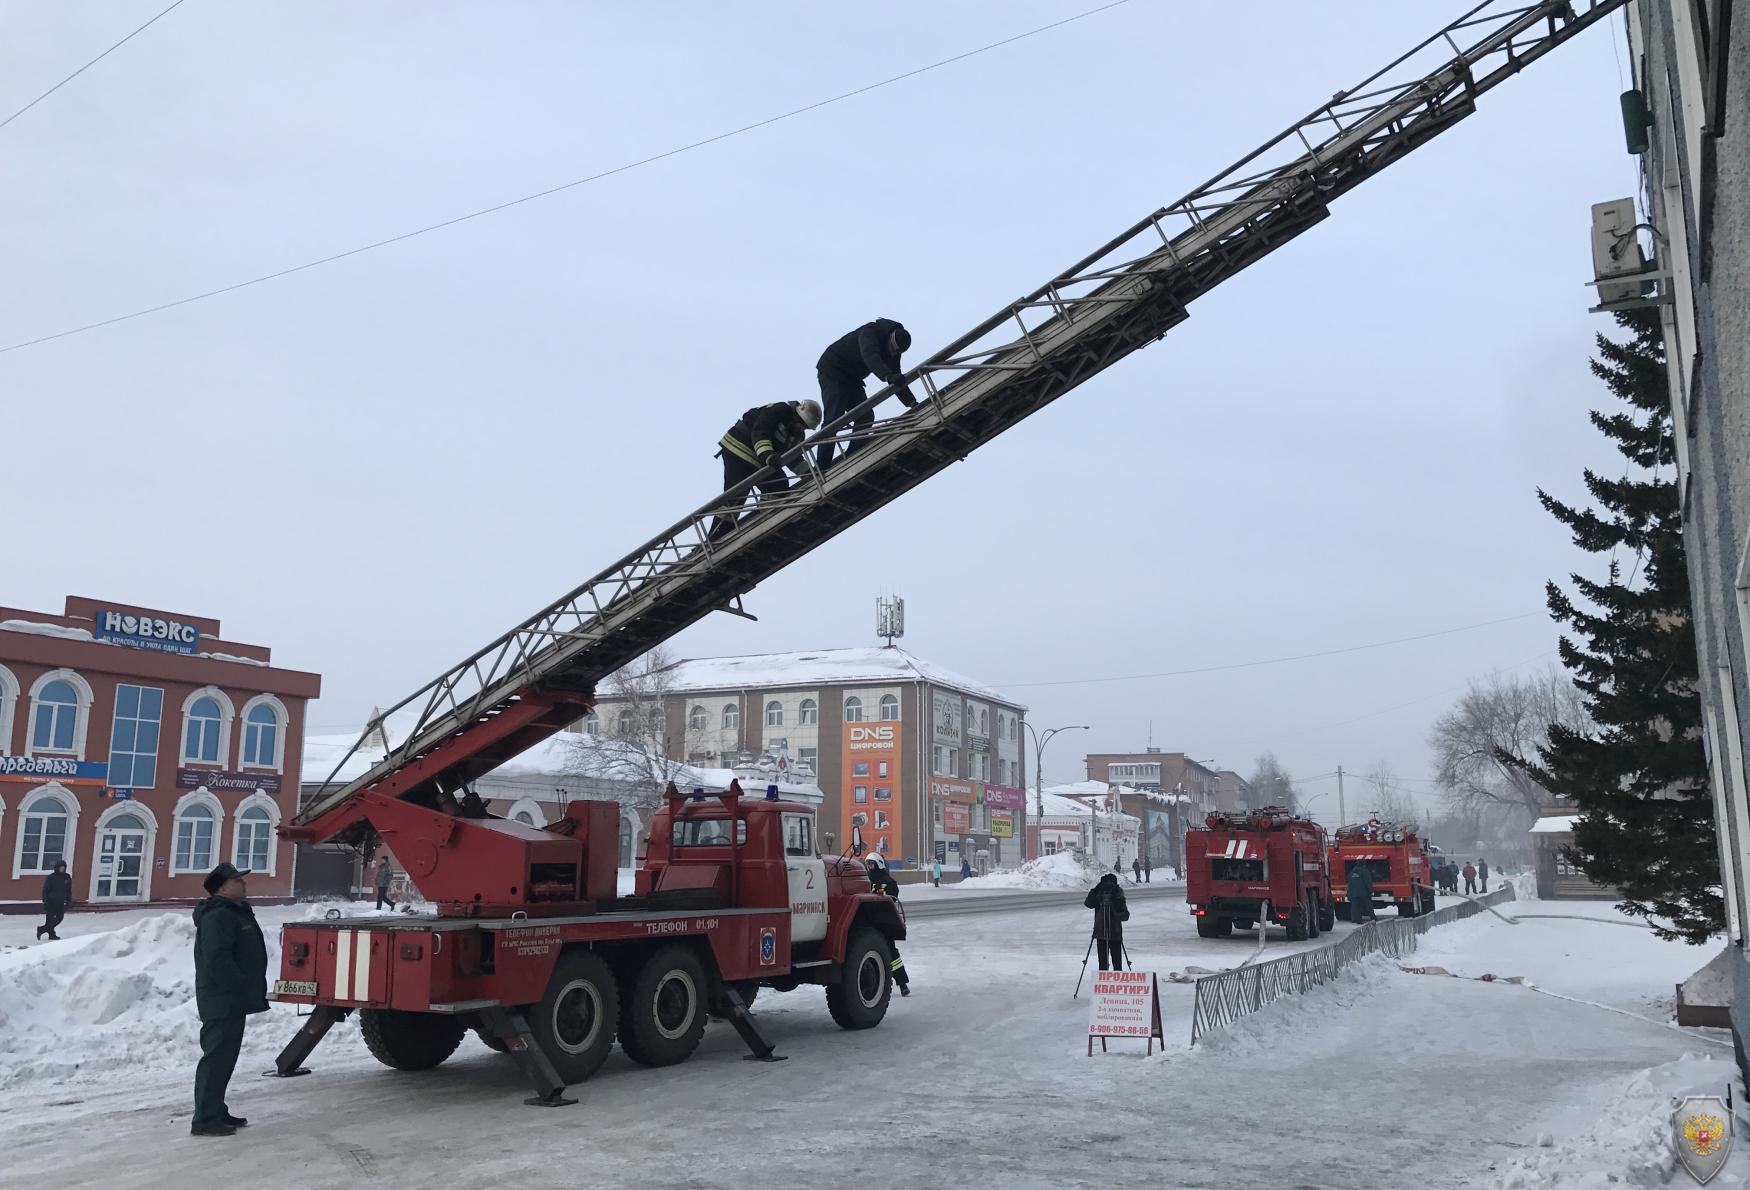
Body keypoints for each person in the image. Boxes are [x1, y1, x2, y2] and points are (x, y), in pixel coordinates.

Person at [191, 862, 268, 1138]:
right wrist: (238, 984)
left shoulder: (232, 912)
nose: (244, 884)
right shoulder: (218, 916)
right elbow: (216, 959)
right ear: (223, 888)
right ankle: (205, 1118)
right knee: (216, 1057)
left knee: (224, 1058)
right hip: (222, 999)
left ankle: (215, 1109)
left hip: (231, 998)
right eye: (238, 880)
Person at [814, 319, 916, 473]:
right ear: (890, 338)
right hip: (833, 371)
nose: (893, 354)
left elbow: (896, 376)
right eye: (893, 350)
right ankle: (821, 467)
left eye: (897, 353)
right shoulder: (869, 333)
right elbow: (870, 356)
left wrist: (911, 402)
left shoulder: (894, 350)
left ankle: (853, 455)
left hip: (853, 378)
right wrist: (887, 376)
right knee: (834, 419)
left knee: (866, 416)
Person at [712, 400, 821, 541]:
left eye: (805, 427)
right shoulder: (779, 410)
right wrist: (767, 455)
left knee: (778, 485)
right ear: (797, 414)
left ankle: (763, 516)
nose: (801, 428)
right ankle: (718, 535)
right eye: (801, 423)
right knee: (736, 494)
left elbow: (794, 459)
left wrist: (810, 474)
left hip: (759, 458)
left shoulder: (797, 435)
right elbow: (760, 431)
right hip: (738, 448)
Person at [863, 855, 911, 996]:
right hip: (868, 922)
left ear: (878, 864)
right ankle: (879, 983)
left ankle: (902, 983)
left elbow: (892, 897)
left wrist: (881, 895)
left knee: (892, 954)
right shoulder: (866, 881)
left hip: (884, 923)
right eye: (868, 865)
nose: (869, 868)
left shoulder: (889, 881)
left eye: (872, 865)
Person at [1083, 873, 1130, 971]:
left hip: (1115, 933)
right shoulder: (1099, 893)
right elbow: (1088, 903)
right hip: (1101, 933)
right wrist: (1096, 889)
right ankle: (1104, 983)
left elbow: (1125, 915)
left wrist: (1115, 912)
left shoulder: (1117, 893)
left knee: (1117, 965)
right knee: (1103, 966)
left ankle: (1117, 984)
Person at [36, 859, 72, 941]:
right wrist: (45, 901)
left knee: (59, 918)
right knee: (49, 919)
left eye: (63, 867)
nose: (62, 869)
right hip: (51, 902)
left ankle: (42, 929)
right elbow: (45, 890)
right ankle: (52, 935)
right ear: (57, 867)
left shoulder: (67, 877)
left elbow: (69, 890)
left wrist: (68, 900)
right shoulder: (51, 877)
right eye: (60, 867)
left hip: (61, 902)